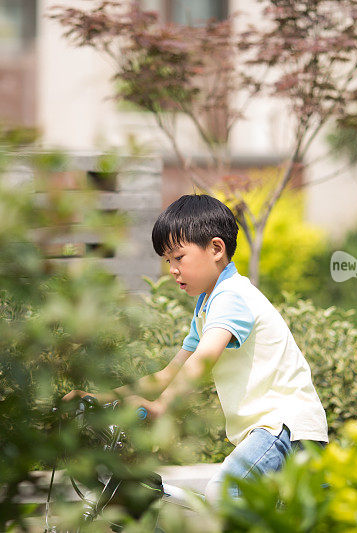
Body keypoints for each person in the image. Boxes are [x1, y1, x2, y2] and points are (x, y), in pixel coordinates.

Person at [64, 194, 328, 504]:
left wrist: (162, 406)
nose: (172, 269)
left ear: (216, 249)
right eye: (167, 260)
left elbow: (203, 359)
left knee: (225, 492)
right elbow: (168, 374)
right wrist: (101, 398)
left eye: (179, 257)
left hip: (287, 428)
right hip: (270, 430)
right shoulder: (208, 306)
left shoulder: (232, 296)